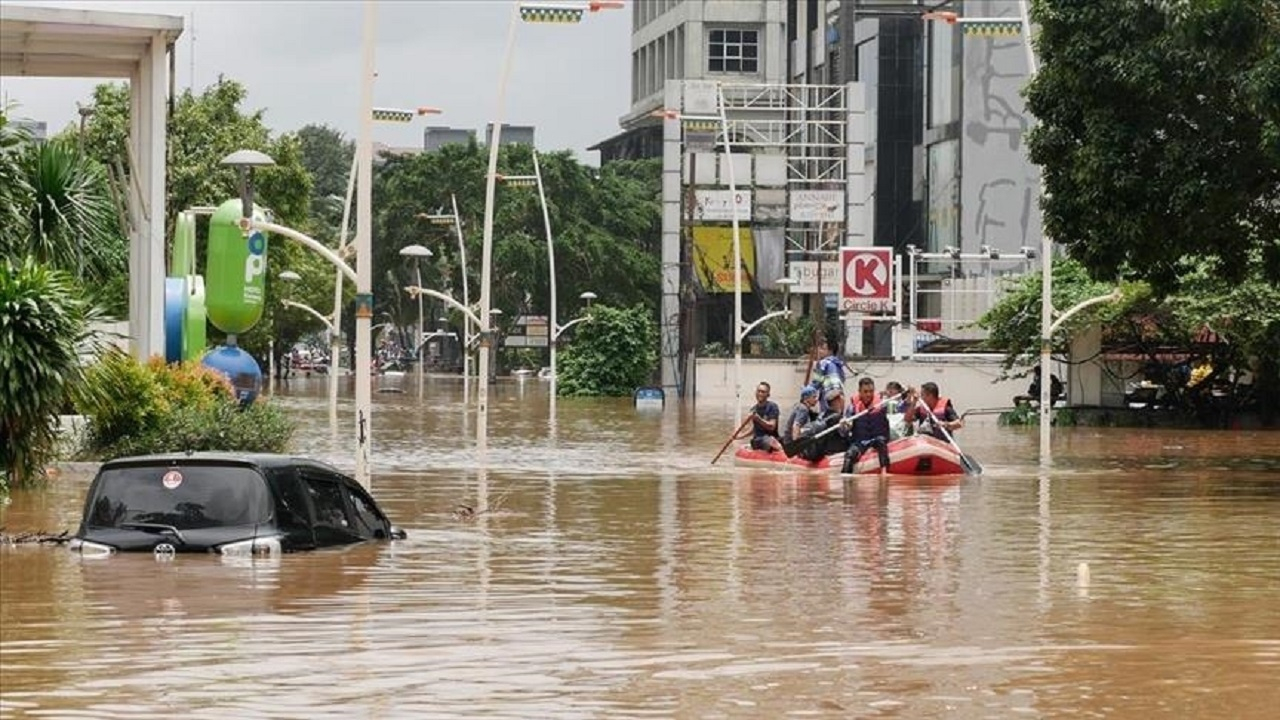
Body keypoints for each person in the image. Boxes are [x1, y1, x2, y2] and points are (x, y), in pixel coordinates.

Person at [841, 377, 891, 474]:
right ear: (859, 392)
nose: (869, 394)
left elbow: (901, 406)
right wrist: (845, 425)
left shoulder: (882, 404)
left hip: (877, 439)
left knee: (881, 442)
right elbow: (846, 430)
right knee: (849, 454)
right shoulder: (852, 408)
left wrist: (910, 399)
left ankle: (884, 473)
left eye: (871, 391)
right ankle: (846, 481)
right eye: (865, 391)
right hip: (860, 441)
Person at [799, 387, 849, 462]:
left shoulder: (821, 415)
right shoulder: (837, 418)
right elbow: (845, 433)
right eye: (842, 398)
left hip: (824, 450)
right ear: (838, 400)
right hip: (832, 452)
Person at [810, 335, 847, 414]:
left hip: (828, 399)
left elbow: (816, 382)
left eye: (823, 349)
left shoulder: (824, 363)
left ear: (830, 351)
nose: (819, 351)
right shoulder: (838, 365)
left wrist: (806, 390)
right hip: (839, 399)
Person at [744, 381, 782, 453]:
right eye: (758, 391)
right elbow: (753, 430)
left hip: (773, 437)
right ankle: (772, 444)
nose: (760, 394)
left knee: (782, 439)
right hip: (759, 440)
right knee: (763, 440)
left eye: (763, 392)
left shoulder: (772, 406)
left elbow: (772, 426)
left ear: (768, 394)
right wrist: (739, 436)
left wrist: (758, 419)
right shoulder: (753, 409)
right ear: (755, 393)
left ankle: (775, 445)